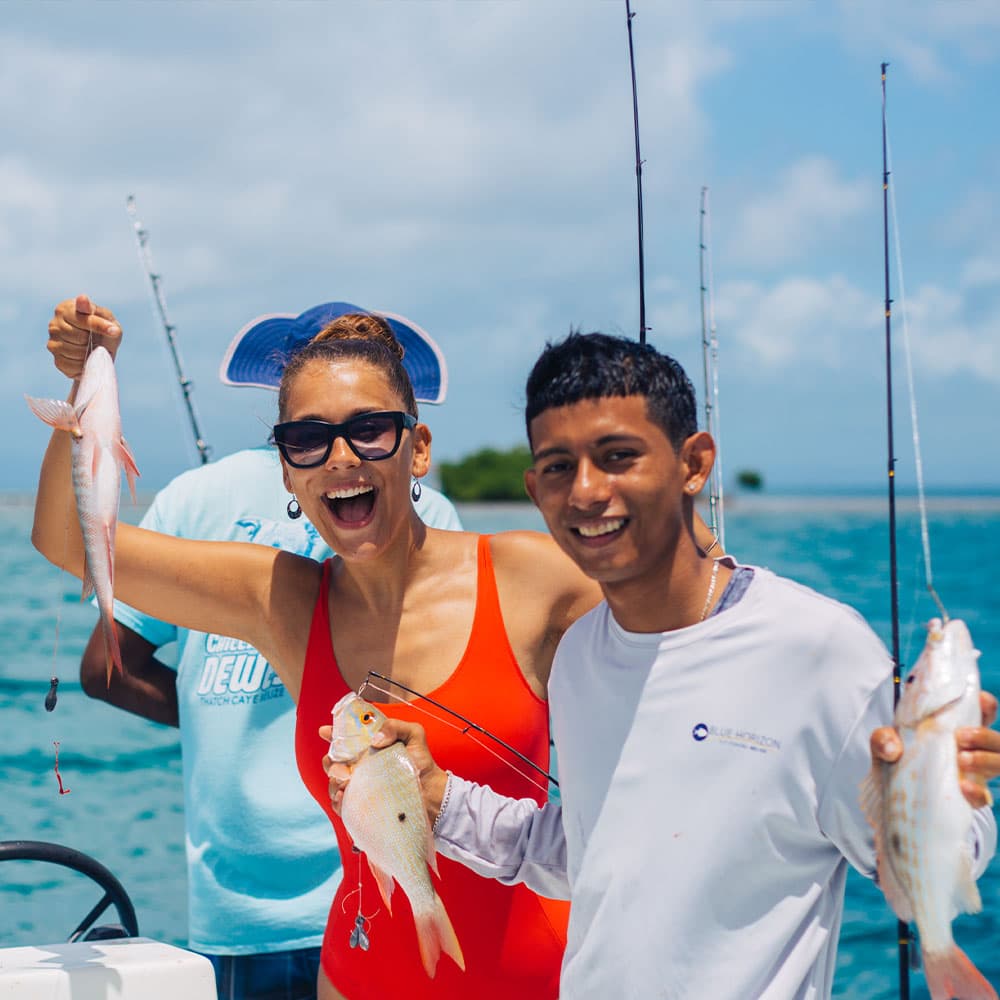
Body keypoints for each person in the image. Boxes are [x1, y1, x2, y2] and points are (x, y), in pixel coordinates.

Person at [36, 298, 693, 999]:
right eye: (308, 439)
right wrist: (85, 389)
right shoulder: (282, 601)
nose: (341, 457)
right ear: (287, 469)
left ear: (419, 447)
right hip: (352, 982)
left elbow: (685, 697)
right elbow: (69, 538)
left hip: (542, 979)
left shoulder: (533, 578)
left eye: (371, 430)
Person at [326, 331, 1000, 1000]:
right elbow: (590, 853)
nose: (586, 492)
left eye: (618, 456)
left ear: (694, 463)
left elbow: (917, 884)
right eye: (559, 468)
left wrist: (947, 787)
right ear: (534, 488)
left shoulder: (819, 650)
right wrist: (437, 797)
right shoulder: (582, 655)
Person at [77, 304, 463, 1000]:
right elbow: (104, 663)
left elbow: (108, 666)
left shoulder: (193, 495)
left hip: (370, 874)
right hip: (252, 908)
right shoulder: (415, 501)